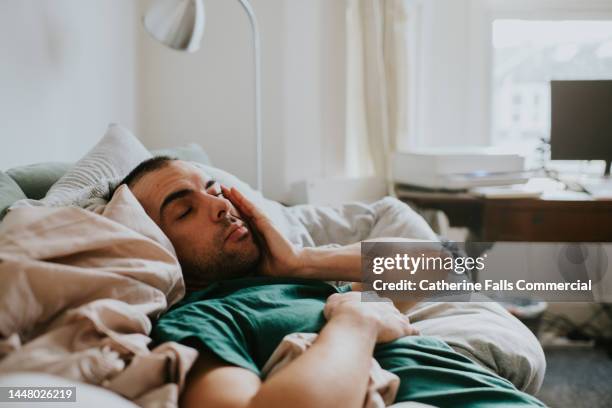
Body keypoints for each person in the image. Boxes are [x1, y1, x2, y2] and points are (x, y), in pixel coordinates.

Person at [117, 157, 545, 408]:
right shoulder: (202, 320)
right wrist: (356, 324)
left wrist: (300, 261)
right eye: (184, 211)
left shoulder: (302, 282)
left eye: (214, 190)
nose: (218, 207)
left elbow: (441, 267)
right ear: (158, 242)